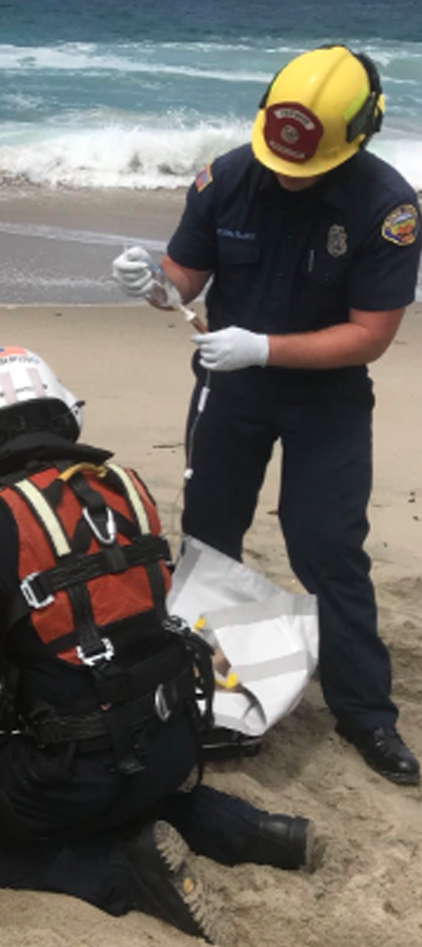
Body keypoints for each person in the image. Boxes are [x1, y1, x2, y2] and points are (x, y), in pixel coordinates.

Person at [0, 346, 316, 945]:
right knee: (134, 787)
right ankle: (253, 831)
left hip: (79, 773)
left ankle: (120, 875)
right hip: (174, 744)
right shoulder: (128, 488)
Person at [111, 45, 421, 785]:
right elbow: (186, 274)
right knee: (209, 535)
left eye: (304, 168)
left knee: (325, 546)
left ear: (356, 139)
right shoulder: (226, 177)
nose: (286, 176)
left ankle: (364, 715)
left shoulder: (387, 207)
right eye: (278, 160)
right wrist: (153, 284)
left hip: (327, 395)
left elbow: (370, 335)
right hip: (232, 385)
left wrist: (264, 348)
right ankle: (193, 684)